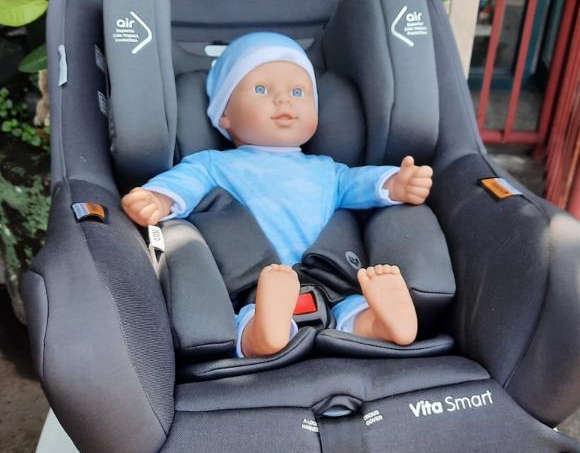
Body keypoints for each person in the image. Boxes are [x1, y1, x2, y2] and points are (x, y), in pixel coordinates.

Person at [122, 32, 433, 357]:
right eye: (261, 89)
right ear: (224, 114)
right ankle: (266, 332)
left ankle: (380, 323)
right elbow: (184, 183)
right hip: (256, 280)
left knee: (352, 309)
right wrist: (158, 198)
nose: (284, 100)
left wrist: (394, 183)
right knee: (249, 317)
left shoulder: (327, 170)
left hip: (329, 277)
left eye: (298, 92)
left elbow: (360, 183)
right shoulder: (213, 164)